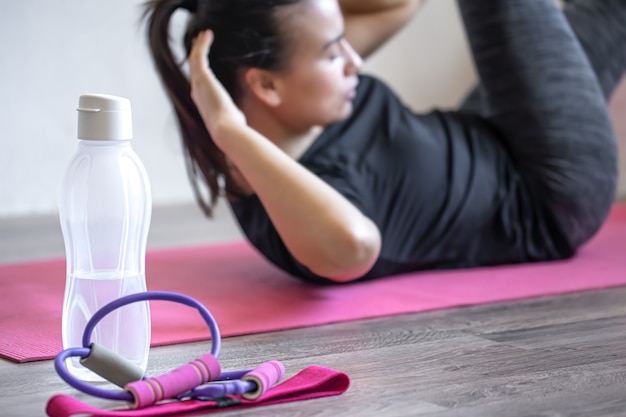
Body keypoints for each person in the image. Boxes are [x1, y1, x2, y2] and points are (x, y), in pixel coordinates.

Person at [143, 0, 625, 284]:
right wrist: (228, 132)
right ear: (265, 86)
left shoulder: (299, 97)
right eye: (333, 52)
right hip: (548, 193)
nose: (353, 59)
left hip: (494, 132)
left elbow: (397, 5)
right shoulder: (303, 209)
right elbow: (355, 246)